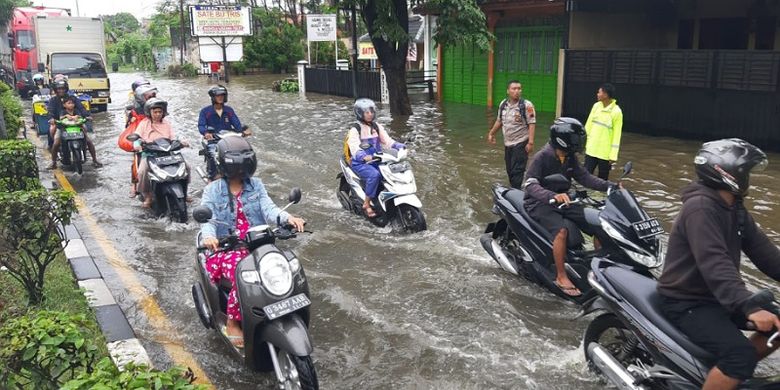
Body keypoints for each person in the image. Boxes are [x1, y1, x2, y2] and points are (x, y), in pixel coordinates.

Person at [657, 138, 780, 390]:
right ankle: (731, 368)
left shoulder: (733, 207)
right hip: (687, 301)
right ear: (727, 173)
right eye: (747, 172)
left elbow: (764, 252)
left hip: (716, 297)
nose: (750, 179)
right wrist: (748, 306)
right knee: (739, 356)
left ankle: (724, 376)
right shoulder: (700, 208)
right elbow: (714, 263)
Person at [199, 136, 306, 348]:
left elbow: (269, 209)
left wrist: (289, 218)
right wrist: (209, 237)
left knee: (288, 266)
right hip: (227, 248)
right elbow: (208, 220)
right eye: (237, 168)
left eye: (243, 167)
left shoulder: (256, 185)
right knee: (242, 273)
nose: (241, 173)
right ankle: (232, 321)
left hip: (257, 244)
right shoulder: (212, 191)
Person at [523, 118, 613, 297]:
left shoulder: (570, 157)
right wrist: (552, 195)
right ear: (564, 139)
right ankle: (561, 275)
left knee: (598, 223)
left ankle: (600, 268)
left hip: (564, 201)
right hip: (539, 203)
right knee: (561, 231)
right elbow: (530, 184)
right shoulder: (543, 157)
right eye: (576, 139)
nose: (580, 143)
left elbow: (585, 178)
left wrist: (610, 186)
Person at [345, 98, 405, 218]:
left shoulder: (376, 126)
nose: (370, 114)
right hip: (360, 162)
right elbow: (355, 147)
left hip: (377, 159)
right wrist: (363, 156)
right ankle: (366, 204)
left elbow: (387, 141)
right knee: (374, 175)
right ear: (359, 113)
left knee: (394, 172)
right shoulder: (355, 129)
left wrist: (399, 146)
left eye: (371, 111)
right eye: (366, 112)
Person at [133, 98, 190, 208]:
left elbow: (173, 138)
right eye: (155, 112)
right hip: (150, 154)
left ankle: (185, 192)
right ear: (149, 112)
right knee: (142, 172)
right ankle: (147, 195)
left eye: (160, 112)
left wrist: (181, 143)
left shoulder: (167, 124)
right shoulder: (144, 124)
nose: (158, 114)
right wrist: (137, 145)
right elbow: (137, 137)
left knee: (187, 166)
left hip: (167, 154)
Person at [487, 80, 537, 189]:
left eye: (519, 89)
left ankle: (516, 194)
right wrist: (491, 133)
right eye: (514, 89)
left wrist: (531, 142)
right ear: (508, 91)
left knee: (517, 172)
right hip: (508, 144)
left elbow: (532, 123)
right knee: (509, 170)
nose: (517, 91)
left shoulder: (526, 105)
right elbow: (499, 121)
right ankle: (515, 189)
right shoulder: (503, 104)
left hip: (521, 143)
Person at [198, 85, 250, 179]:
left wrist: (244, 131)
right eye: (218, 95)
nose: (220, 97)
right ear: (213, 97)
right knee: (213, 154)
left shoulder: (229, 110)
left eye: (222, 95)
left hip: (229, 139)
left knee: (244, 153)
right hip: (214, 140)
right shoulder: (205, 111)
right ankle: (212, 176)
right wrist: (206, 133)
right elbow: (201, 125)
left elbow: (237, 125)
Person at [47, 80, 101, 169]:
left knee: (88, 140)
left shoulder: (73, 98)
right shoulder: (53, 100)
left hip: (77, 124)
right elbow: (50, 111)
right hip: (61, 125)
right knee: (56, 143)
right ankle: (53, 162)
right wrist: (52, 119)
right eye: (59, 89)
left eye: (63, 89)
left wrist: (87, 116)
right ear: (56, 90)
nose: (61, 91)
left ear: (66, 89)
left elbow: (81, 108)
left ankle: (95, 160)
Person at [583, 83, 623, 180]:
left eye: (599, 92)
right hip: (591, 149)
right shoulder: (596, 106)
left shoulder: (616, 112)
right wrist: (582, 143)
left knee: (603, 179)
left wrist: (613, 155)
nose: (597, 94)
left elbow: (617, 135)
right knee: (585, 176)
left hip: (605, 153)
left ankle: (600, 195)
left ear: (605, 95)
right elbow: (588, 126)